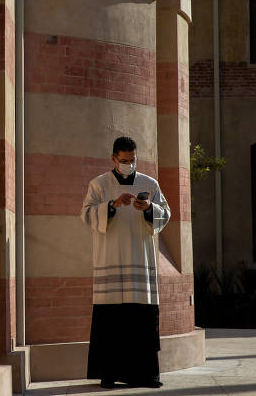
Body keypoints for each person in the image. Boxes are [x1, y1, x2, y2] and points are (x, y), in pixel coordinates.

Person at [80, 136, 170, 389]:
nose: (128, 164)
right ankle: (108, 375)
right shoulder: (99, 185)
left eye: (132, 160)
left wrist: (149, 207)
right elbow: (86, 214)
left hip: (140, 259)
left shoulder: (149, 183)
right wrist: (111, 205)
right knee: (111, 321)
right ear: (113, 158)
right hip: (109, 258)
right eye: (123, 160)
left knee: (140, 320)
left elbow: (166, 213)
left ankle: (147, 375)